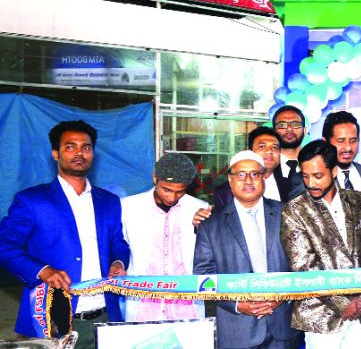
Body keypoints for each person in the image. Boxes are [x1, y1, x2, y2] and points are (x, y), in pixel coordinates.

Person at [0, 120, 131, 347]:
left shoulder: (109, 201)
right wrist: (41, 270)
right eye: (70, 146)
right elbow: (4, 244)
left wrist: (118, 262)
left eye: (86, 147)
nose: (79, 153)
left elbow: (118, 243)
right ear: (55, 154)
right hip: (53, 320)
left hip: (106, 317)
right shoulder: (32, 200)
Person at [281, 140, 361, 349]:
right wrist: (344, 303)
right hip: (320, 315)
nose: (311, 183)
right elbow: (304, 267)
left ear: (334, 171)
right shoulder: (294, 210)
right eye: (305, 176)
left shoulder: (358, 200)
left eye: (318, 176)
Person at [193, 151, 298, 349]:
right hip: (236, 331)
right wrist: (237, 304)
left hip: (282, 328)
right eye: (240, 174)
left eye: (254, 174)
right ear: (230, 181)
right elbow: (203, 276)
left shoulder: (288, 214)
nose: (248, 180)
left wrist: (281, 296)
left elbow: (301, 265)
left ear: (264, 178)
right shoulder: (211, 224)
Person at [321, 111, 361, 349]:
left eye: (353, 140)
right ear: (327, 141)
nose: (348, 147)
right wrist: (341, 300)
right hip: (327, 303)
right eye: (341, 141)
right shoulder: (311, 179)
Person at [121, 153, 206, 322]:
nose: (172, 197)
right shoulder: (128, 207)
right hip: (143, 307)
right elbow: (118, 248)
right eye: (166, 189)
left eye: (179, 192)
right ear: (155, 178)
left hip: (187, 307)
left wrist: (204, 228)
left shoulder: (199, 209)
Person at [214, 127, 284, 209]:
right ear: (250, 151)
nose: (269, 151)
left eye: (275, 147)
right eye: (262, 146)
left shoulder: (293, 185)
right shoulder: (224, 193)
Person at [274, 105, 308, 201]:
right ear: (273, 132)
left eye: (295, 124)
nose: (289, 129)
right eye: (282, 125)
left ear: (304, 131)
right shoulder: (265, 168)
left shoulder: (316, 166)